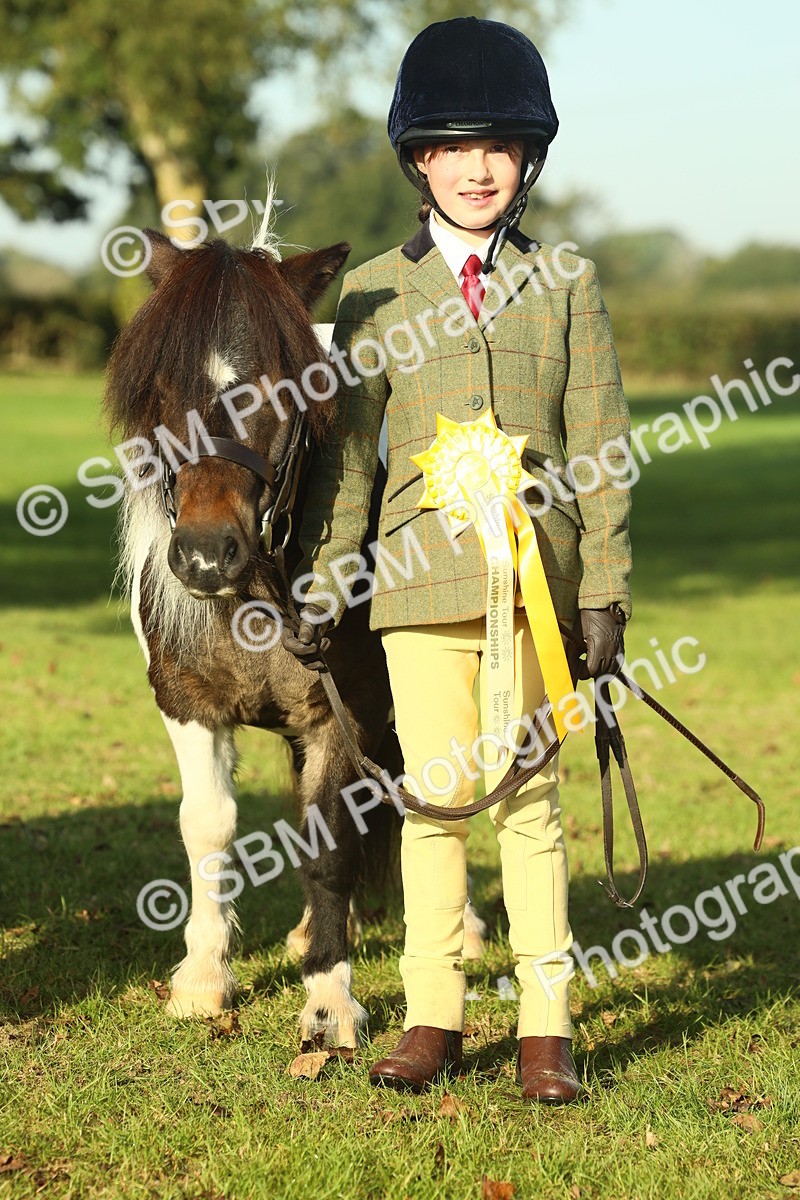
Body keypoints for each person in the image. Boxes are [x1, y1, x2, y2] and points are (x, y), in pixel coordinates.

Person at [283, 16, 632, 1103]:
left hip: (538, 593)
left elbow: (602, 449)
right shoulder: (373, 291)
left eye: (495, 145)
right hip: (418, 588)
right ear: (417, 158)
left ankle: (543, 1027)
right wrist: (323, 572)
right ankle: (432, 1012)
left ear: (525, 160)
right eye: (450, 144)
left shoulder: (565, 282)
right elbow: (344, 461)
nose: (474, 165)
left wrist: (605, 594)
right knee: (432, 803)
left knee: (530, 804)